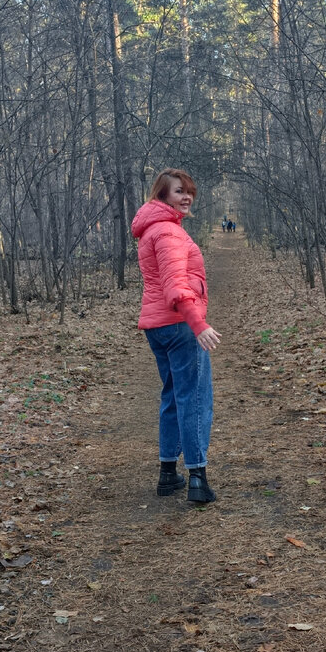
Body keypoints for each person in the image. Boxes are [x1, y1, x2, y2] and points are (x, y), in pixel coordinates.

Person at [132, 169, 221, 503]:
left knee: (173, 395)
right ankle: (197, 478)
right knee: (194, 397)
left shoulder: (151, 229)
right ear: (162, 196)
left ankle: (168, 474)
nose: (187, 197)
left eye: (190, 192)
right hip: (179, 324)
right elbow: (174, 287)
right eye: (179, 191)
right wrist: (199, 324)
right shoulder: (168, 232)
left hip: (158, 327)